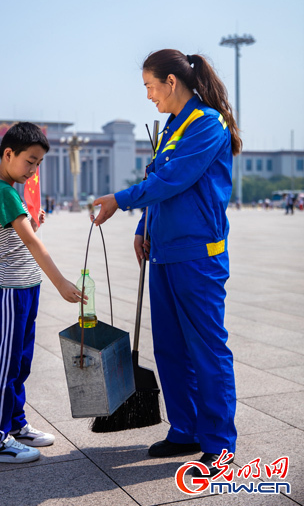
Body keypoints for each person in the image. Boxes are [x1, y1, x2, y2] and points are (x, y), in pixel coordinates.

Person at [93, 49, 240, 477]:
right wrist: (144, 226)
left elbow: (174, 179)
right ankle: (186, 428)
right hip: (165, 252)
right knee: (171, 349)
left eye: (150, 87)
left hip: (198, 257)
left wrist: (121, 201)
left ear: (171, 82)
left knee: (207, 350)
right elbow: (160, 185)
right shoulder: (174, 126)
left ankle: (219, 445)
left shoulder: (208, 124)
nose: (149, 96)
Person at [0, 122, 85, 464]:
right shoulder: (3, 192)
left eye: (38, 163)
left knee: (21, 362)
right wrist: (62, 283)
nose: (33, 170)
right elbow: (30, 242)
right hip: (10, 292)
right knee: (5, 364)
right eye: (30, 161)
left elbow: (18, 236)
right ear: (8, 153)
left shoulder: (10, 193)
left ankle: (15, 425)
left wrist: (33, 220)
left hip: (25, 288)